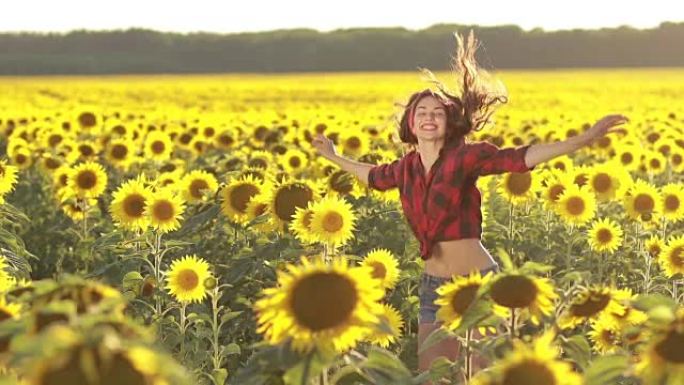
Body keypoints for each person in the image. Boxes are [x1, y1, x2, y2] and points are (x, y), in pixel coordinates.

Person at [311, 30, 628, 383]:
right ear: (411, 124)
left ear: (448, 123)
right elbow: (371, 176)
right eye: (421, 113)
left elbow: (520, 158)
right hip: (434, 284)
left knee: (481, 374)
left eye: (437, 113)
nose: (429, 118)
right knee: (431, 375)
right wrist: (334, 157)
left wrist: (583, 139)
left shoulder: (466, 158)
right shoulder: (405, 169)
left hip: (477, 282)